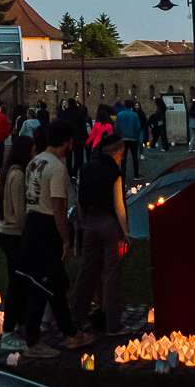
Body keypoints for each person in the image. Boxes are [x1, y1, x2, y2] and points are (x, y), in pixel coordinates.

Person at [18, 123, 92, 359]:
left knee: (55, 284)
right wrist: (66, 239)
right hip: (46, 228)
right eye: (71, 142)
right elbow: (58, 208)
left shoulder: (34, 162)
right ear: (67, 142)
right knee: (42, 285)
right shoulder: (58, 168)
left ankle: (71, 333)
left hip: (33, 223)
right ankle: (33, 341)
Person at [68, 135, 131, 338]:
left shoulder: (85, 169)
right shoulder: (114, 173)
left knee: (86, 272)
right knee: (112, 273)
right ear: (116, 152)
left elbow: (79, 199)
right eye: (122, 153)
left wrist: (84, 221)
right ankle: (113, 324)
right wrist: (126, 232)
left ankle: (76, 320)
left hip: (90, 222)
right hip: (110, 225)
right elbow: (118, 205)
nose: (122, 157)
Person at [0, 137, 34, 353]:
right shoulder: (17, 175)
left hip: (5, 232)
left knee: (19, 281)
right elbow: (20, 212)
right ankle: (8, 331)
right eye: (33, 151)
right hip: (14, 234)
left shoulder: (8, 171)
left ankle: (20, 322)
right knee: (17, 284)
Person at [114, 100, 144, 175]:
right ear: (132, 106)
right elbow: (138, 127)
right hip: (133, 139)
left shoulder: (119, 115)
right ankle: (136, 174)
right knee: (135, 158)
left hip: (123, 139)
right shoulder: (135, 115)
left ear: (125, 105)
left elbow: (117, 128)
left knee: (123, 158)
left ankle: (123, 174)